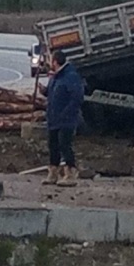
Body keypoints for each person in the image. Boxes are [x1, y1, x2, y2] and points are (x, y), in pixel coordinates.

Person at [38, 49, 85, 187]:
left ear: (55, 62)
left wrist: (66, 113)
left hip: (66, 120)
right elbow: (53, 93)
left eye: (50, 60)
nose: (49, 63)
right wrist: (44, 91)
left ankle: (70, 173)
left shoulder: (71, 76)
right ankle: (53, 173)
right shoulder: (56, 77)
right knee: (53, 145)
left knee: (65, 145)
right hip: (53, 118)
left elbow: (77, 97)